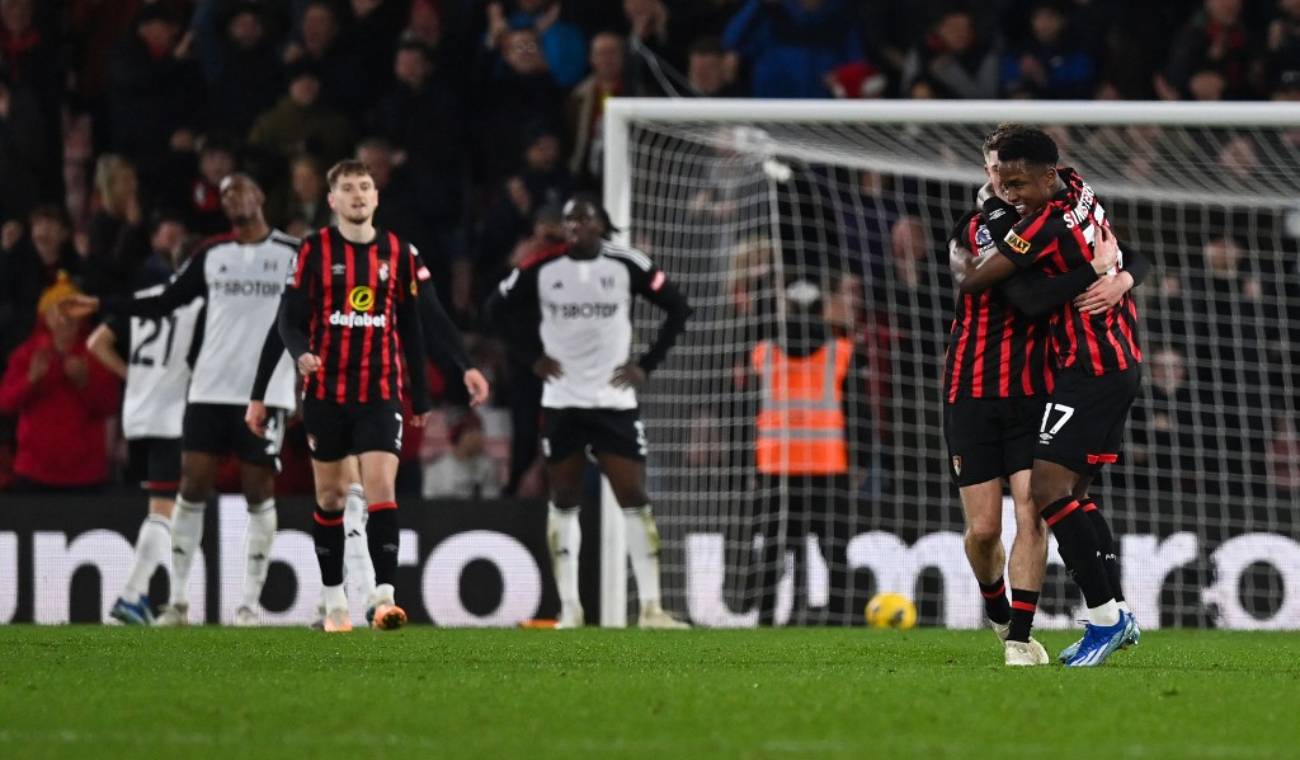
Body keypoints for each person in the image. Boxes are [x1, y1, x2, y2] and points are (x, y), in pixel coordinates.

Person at [944, 124, 1148, 665]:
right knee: (1011, 516)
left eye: (1013, 179)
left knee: (1046, 496)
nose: (1005, 188)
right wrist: (1105, 268)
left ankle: (1070, 626)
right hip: (984, 385)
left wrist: (1120, 275)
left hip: (1071, 371)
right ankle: (1114, 612)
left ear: (1046, 174)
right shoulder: (1068, 194)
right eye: (995, 175)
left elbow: (1036, 295)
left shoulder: (1045, 219)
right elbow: (994, 286)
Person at [63, 174, 298, 627]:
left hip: (265, 393)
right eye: (225, 193)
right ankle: (178, 602)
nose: (232, 197)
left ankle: (249, 605)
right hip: (208, 390)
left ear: (261, 194)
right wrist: (99, 303)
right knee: (190, 490)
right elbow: (165, 301)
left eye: (240, 189)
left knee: (258, 492)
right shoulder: (212, 255)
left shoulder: (294, 253)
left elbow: (317, 304)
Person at [486, 195, 692, 629]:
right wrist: (531, 358)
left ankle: (652, 608)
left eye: (585, 219)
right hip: (562, 401)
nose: (577, 226)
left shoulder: (627, 264)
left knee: (634, 496)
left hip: (613, 402)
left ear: (601, 224)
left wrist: (646, 365)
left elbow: (678, 307)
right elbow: (494, 310)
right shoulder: (541, 267)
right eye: (570, 220)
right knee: (563, 498)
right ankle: (571, 609)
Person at [266, 159, 445, 633]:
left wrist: (422, 395)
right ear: (332, 201)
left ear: (377, 196)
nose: (358, 195)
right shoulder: (313, 251)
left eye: (365, 186)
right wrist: (302, 353)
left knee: (381, 487)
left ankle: (384, 596)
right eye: (348, 188)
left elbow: (412, 326)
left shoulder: (397, 251)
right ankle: (333, 602)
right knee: (331, 496)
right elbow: (288, 319)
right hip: (326, 391)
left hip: (381, 390)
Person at [87, 243, 201, 625]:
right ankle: (130, 597)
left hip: (137, 417)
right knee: (165, 510)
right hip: (172, 417)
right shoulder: (197, 304)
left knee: (170, 507)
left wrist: (133, 379)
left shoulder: (141, 298)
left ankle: (171, 596)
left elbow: (95, 343)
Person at [747, 278, 870, 626]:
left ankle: (766, 618)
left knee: (773, 550)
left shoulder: (764, 354)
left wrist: (749, 466)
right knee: (835, 551)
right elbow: (859, 412)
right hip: (828, 467)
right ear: (821, 309)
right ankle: (840, 618)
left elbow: (747, 414)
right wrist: (861, 460)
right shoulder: (840, 353)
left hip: (777, 467)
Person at [0, 275, 119, 491]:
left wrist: (85, 383)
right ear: (46, 318)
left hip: (86, 475)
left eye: (71, 314)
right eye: (58, 313)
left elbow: (110, 406)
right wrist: (31, 380)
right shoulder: (27, 354)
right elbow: (6, 403)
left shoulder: (96, 354)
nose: (65, 321)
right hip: (34, 472)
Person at [422, 412, 502, 499]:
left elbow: (492, 505)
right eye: (471, 431)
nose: (477, 437)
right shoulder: (437, 470)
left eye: (479, 431)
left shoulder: (487, 467)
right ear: (458, 436)